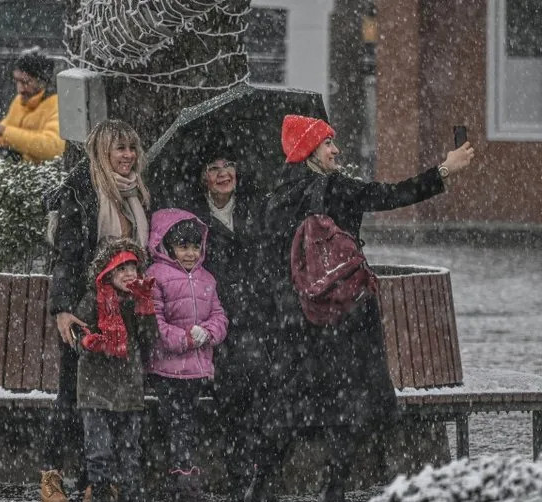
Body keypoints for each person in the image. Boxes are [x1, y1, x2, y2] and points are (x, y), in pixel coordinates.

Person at [245, 114, 475, 502]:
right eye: (327, 144)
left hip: (295, 325)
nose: (336, 150)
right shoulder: (334, 189)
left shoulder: (274, 199)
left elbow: (267, 266)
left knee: (288, 414)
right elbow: (392, 194)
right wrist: (443, 170)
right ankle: (333, 490)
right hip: (340, 322)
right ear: (308, 151)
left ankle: (260, 488)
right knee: (347, 411)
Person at [46, 119, 151, 500]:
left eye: (132, 148)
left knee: (111, 399)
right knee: (72, 394)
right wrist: (62, 308)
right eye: (119, 149)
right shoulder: (83, 192)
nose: (128, 156)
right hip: (87, 308)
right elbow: (68, 255)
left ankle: (99, 482)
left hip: (127, 309)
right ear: (101, 153)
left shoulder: (137, 193)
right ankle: (53, 473)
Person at [189, 145, 273, 500]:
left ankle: (261, 477)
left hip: (258, 315)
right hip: (217, 320)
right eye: (214, 167)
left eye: (229, 165)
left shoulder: (257, 208)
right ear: (203, 178)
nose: (224, 173)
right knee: (233, 397)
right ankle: (242, 476)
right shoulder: (194, 220)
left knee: (263, 396)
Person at [146, 208, 228, 502]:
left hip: (196, 370)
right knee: (178, 421)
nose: (191, 253)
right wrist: (185, 339)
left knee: (187, 421)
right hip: (167, 369)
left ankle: (182, 477)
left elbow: (219, 315)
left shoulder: (207, 278)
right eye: (183, 246)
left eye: (195, 246)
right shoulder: (157, 275)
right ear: (169, 246)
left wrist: (209, 332)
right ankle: (183, 480)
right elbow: (155, 324)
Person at [74, 237, 157, 502]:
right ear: (107, 273)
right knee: (99, 452)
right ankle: (100, 493)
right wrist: (89, 341)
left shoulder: (139, 301)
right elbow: (79, 334)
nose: (129, 273)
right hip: (95, 389)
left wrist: (145, 307)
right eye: (122, 268)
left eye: (133, 267)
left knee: (129, 451)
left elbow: (149, 339)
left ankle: (130, 494)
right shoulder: (93, 300)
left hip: (129, 391)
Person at [0, 47, 65, 164]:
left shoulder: (56, 105)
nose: (20, 89)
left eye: (26, 82)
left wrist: (1, 130)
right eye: (17, 81)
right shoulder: (20, 101)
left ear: (42, 81)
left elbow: (53, 147)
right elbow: (6, 133)